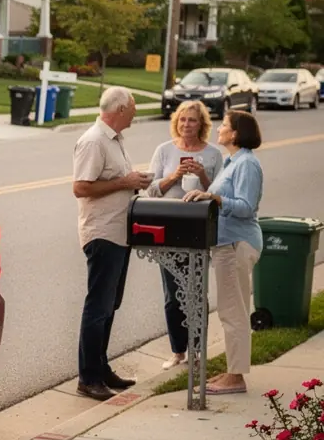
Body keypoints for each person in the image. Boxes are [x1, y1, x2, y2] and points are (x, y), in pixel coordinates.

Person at [72, 87, 152, 401]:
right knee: (97, 307)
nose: (135, 112)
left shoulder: (115, 140)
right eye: (132, 107)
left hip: (120, 233)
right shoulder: (93, 141)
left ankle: (101, 369)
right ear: (119, 109)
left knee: (110, 306)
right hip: (102, 234)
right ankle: (87, 378)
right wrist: (125, 182)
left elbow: (116, 180)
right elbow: (80, 187)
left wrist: (133, 180)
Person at [184, 109, 264, 395]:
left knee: (235, 312)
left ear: (236, 133)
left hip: (237, 244)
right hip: (226, 244)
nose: (218, 128)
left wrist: (215, 197)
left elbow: (245, 206)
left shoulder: (247, 165)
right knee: (230, 310)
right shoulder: (233, 162)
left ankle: (237, 377)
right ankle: (233, 370)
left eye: (224, 125)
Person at [144, 100, 224, 368]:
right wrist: (174, 176)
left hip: (198, 229)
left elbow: (219, 195)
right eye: (182, 120)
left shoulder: (213, 155)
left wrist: (202, 176)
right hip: (169, 228)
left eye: (192, 120)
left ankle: (198, 351)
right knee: (172, 293)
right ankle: (177, 350)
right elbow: (150, 190)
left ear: (202, 124)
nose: (187, 124)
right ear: (176, 122)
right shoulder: (164, 151)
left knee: (196, 291)